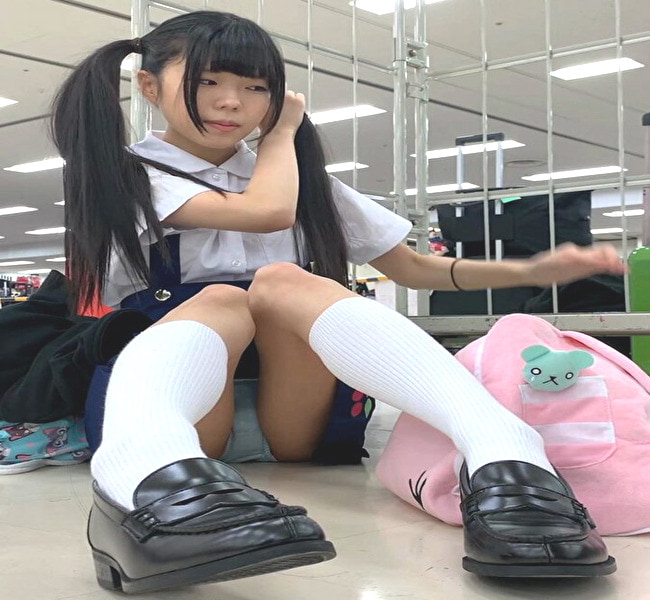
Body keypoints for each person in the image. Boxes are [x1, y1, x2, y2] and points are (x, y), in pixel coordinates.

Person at [51, 10, 623, 594]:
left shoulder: (299, 179)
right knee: (223, 297)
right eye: (207, 82)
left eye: (257, 87)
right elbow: (266, 212)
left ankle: (505, 450)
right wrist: (280, 135)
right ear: (149, 86)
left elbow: (413, 267)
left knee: (282, 281)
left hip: (297, 417)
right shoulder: (127, 174)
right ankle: (139, 473)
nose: (232, 102)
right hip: (178, 418)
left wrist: (531, 269)